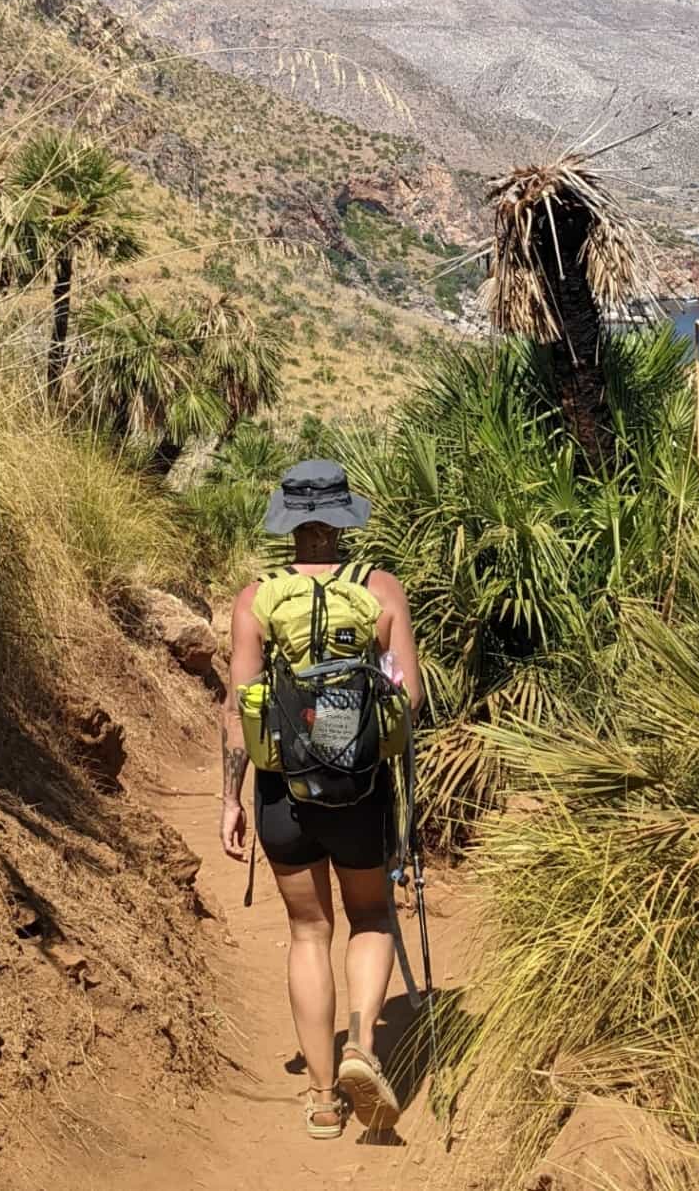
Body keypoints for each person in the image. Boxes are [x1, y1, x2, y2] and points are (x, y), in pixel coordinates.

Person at [219, 459, 424, 1140]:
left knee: (310, 930)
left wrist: (231, 798)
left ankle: (324, 1097)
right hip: (362, 790)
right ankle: (364, 1043)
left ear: (290, 520)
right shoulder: (381, 588)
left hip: (285, 793)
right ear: (341, 520)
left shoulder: (258, 597)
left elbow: (241, 705)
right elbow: (408, 698)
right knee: (370, 916)